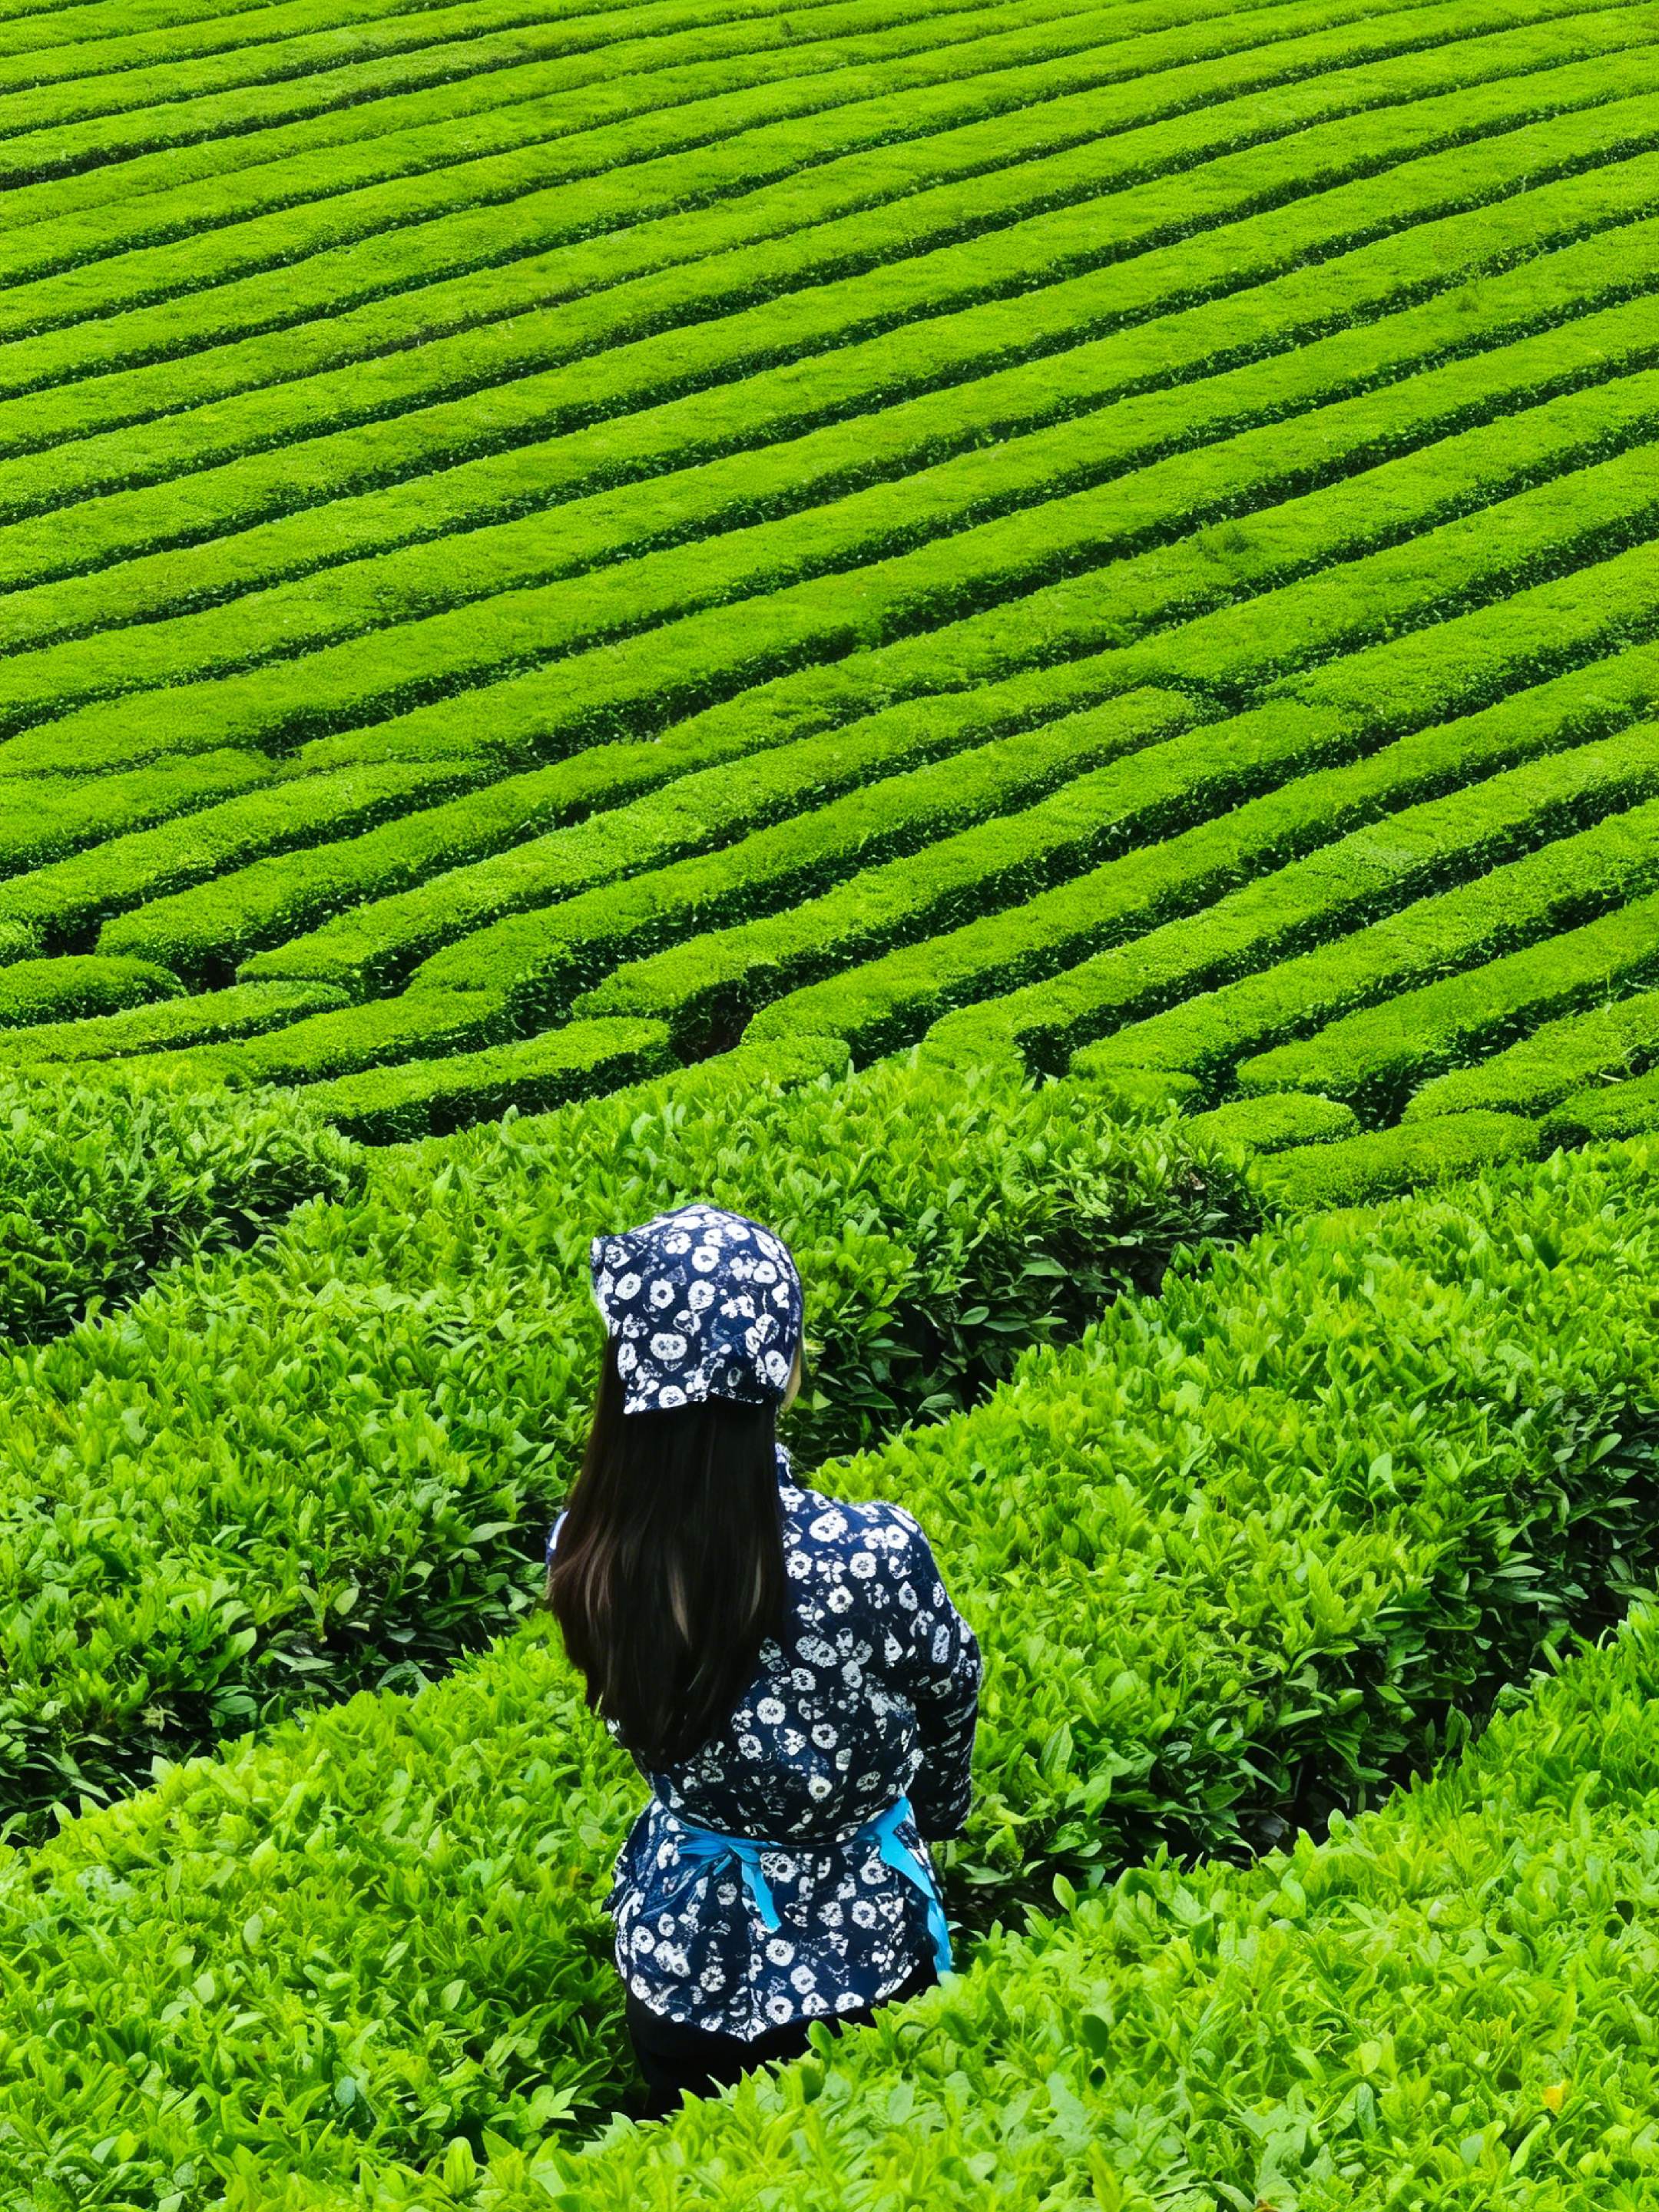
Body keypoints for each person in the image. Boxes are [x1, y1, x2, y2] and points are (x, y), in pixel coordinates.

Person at [545, 1202, 982, 2119]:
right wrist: (936, 1815)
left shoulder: (586, 1551)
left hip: (679, 1962)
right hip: (862, 1959)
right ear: (778, 1372)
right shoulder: (868, 1551)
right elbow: (953, 1689)